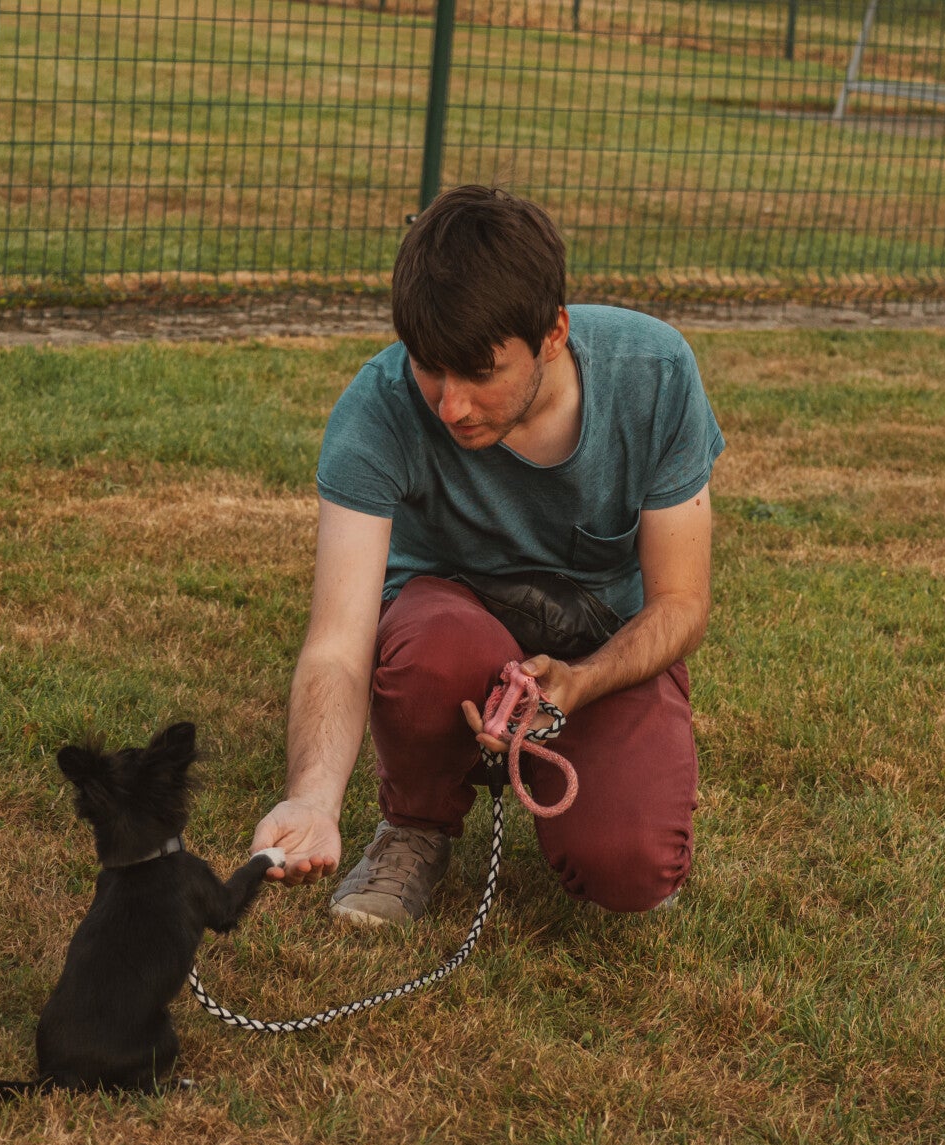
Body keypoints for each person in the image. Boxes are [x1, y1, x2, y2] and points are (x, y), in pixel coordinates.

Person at [249, 185, 724, 925]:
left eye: (480, 372)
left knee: (632, 865)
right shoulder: (375, 411)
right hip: (453, 619)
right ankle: (414, 824)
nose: (450, 406)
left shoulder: (653, 373)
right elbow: (338, 643)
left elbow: (681, 604)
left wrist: (582, 683)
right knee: (433, 650)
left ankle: (588, 783)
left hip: (601, 644)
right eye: (429, 366)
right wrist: (313, 797)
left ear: (553, 333)